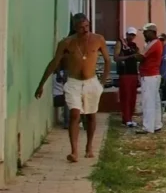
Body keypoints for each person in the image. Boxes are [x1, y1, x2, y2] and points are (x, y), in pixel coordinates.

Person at [35, 13, 110, 163]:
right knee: (75, 115)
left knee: (90, 115)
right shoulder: (67, 43)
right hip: (73, 83)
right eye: (81, 27)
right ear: (75, 28)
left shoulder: (98, 39)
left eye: (87, 26)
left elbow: (108, 61)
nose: (85, 30)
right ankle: (74, 151)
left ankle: (89, 147)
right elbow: (54, 63)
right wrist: (41, 84)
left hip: (91, 82)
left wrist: (102, 82)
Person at [138, 24, 165, 134]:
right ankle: (157, 124)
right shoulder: (154, 43)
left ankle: (148, 127)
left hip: (149, 75)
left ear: (152, 32)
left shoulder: (154, 44)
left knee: (148, 101)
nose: (144, 34)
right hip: (153, 75)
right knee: (155, 101)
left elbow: (142, 57)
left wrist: (131, 55)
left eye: (145, 32)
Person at [115, 28, 141, 128]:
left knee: (132, 98)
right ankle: (126, 118)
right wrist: (129, 57)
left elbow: (138, 56)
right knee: (125, 96)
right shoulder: (120, 43)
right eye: (130, 35)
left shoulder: (134, 45)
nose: (131, 37)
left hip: (133, 73)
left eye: (133, 35)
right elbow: (116, 58)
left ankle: (129, 117)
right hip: (125, 73)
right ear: (127, 34)